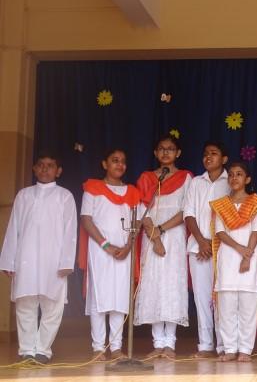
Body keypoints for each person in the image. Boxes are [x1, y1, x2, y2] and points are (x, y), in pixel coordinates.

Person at [0, 152, 77, 363]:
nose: (45, 169)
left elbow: (70, 231)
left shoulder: (65, 196)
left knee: (53, 306)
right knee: (25, 304)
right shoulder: (24, 195)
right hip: (26, 258)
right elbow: (13, 228)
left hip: (54, 260)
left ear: (58, 171)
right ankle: (26, 350)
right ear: (34, 169)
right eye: (41, 165)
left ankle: (43, 350)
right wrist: (8, 260)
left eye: (50, 165)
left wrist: (66, 261)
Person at [79, 148, 141, 361]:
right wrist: (106, 245)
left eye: (123, 161)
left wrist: (128, 246)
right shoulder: (93, 188)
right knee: (99, 297)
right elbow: (86, 219)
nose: (120, 165)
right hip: (100, 250)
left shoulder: (132, 192)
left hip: (124, 251)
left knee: (119, 298)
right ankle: (98, 347)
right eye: (115, 160)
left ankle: (116, 347)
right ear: (105, 164)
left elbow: (137, 223)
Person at [134, 134, 193, 359]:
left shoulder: (186, 178)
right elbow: (143, 210)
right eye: (161, 148)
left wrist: (162, 230)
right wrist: (155, 237)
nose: (165, 152)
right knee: (153, 285)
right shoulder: (147, 178)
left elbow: (186, 210)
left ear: (178, 153)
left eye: (170, 149)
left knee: (171, 285)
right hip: (151, 238)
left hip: (174, 236)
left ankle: (170, 344)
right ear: (155, 153)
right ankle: (157, 343)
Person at [210, 162, 257, 362]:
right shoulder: (221, 205)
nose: (234, 178)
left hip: (250, 259)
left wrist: (247, 256)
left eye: (239, 174)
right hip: (227, 260)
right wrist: (240, 249)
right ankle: (229, 349)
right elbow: (220, 232)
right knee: (226, 308)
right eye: (231, 174)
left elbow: (256, 231)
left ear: (247, 179)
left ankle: (245, 349)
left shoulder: (256, 203)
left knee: (247, 307)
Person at [183, 141, 229, 357]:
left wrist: (213, 243)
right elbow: (188, 214)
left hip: (224, 248)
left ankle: (224, 345)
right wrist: (201, 241)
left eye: (214, 153)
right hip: (198, 248)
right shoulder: (196, 183)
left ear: (224, 159)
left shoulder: (231, 180)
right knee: (202, 298)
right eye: (205, 154)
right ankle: (205, 344)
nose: (208, 157)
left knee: (222, 297)